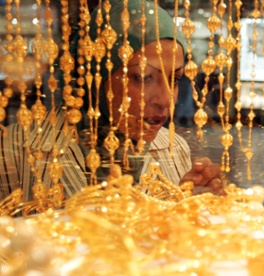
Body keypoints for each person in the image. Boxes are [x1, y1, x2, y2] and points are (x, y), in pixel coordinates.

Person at [0, 0, 223, 203]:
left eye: (174, 79)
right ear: (98, 77)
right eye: (144, 77)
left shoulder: (175, 149)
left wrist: (187, 206)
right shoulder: (14, 150)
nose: (165, 100)